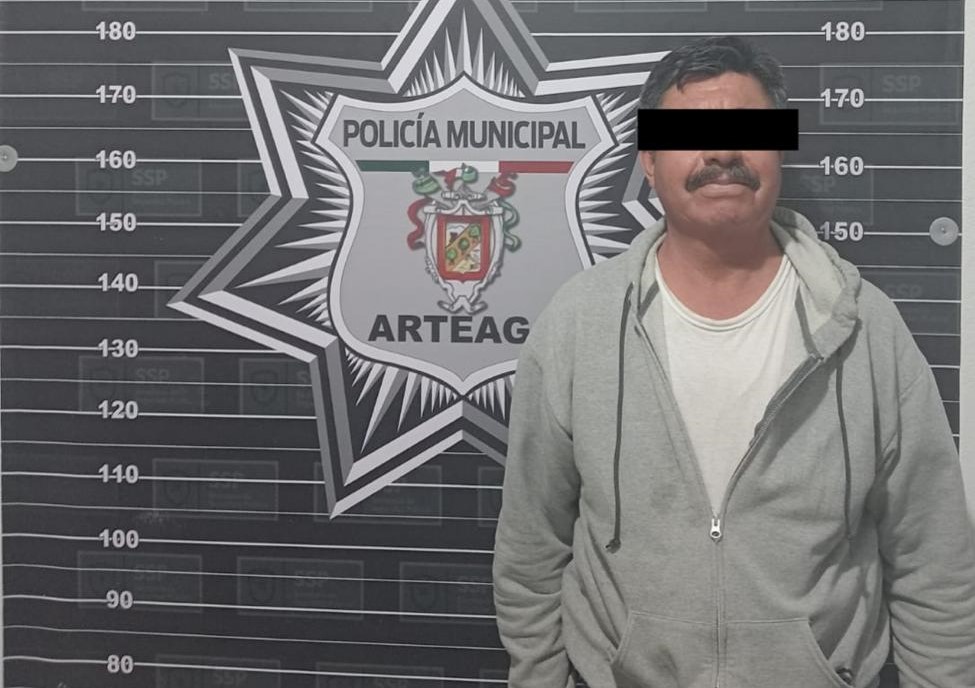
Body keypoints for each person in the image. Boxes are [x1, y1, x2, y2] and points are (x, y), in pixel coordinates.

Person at [492, 35, 975, 688]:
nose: (722, 153)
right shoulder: (578, 323)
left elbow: (933, 559)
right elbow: (530, 548)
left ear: (778, 150)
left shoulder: (866, 328)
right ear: (649, 160)